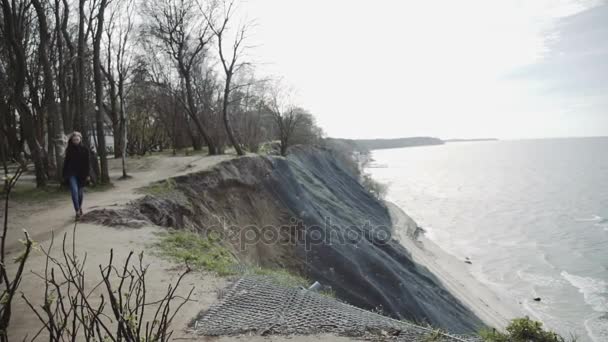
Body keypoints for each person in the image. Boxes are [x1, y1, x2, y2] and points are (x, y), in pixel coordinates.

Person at [63, 132, 90, 219]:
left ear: (80, 139)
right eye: (74, 140)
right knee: (74, 192)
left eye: (77, 140)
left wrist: (88, 175)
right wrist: (64, 174)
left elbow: (88, 164)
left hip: (82, 175)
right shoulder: (69, 150)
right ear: (72, 140)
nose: (76, 141)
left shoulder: (85, 150)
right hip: (71, 174)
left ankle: (79, 207)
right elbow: (66, 163)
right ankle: (77, 211)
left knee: (80, 194)